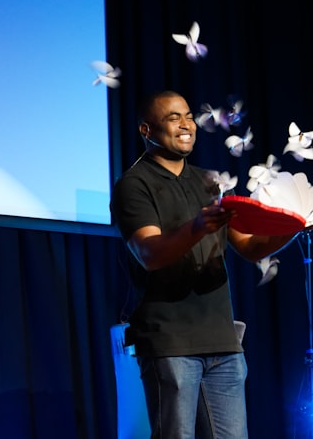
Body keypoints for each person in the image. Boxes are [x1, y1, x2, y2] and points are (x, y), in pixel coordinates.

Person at [111, 89, 299, 439]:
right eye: (172, 118)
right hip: (170, 342)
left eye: (187, 116)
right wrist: (197, 227)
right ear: (146, 131)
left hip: (223, 342)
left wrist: (296, 225)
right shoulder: (133, 186)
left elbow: (250, 248)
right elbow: (150, 254)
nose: (186, 125)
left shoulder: (208, 183)